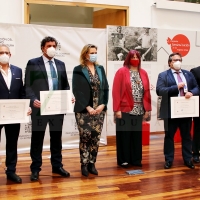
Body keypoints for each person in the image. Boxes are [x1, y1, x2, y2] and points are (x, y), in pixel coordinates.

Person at [24, 36, 70, 181]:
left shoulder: (61, 64)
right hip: (40, 108)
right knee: (37, 139)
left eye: (54, 46)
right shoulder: (33, 63)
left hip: (57, 108)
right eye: (49, 45)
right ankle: (35, 168)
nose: (52, 48)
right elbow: (28, 85)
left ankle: (57, 165)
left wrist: (69, 96)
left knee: (56, 138)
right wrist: (32, 100)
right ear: (43, 47)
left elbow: (65, 85)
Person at [156, 52, 199, 169]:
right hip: (171, 112)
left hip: (186, 110)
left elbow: (196, 87)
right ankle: (169, 160)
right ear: (170, 63)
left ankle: (187, 159)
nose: (178, 62)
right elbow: (159, 90)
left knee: (186, 136)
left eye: (179, 59)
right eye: (175, 60)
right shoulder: (163, 75)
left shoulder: (188, 74)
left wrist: (192, 92)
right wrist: (176, 87)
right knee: (169, 136)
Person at [72, 44, 109, 177]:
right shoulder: (78, 69)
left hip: (99, 110)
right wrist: (88, 107)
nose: (94, 54)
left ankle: (92, 163)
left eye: (95, 52)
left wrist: (103, 105)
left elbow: (106, 88)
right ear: (85, 54)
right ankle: (84, 164)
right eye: (91, 52)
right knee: (85, 137)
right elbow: (76, 90)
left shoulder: (100, 68)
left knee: (95, 137)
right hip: (83, 109)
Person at [112, 49, 151, 168]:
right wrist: (116, 109)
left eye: (137, 57)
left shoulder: (143, 72)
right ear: (128, 58)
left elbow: (147, 91)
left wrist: (147, 109)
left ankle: (136, 159)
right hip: (124, 109)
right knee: (124, 135)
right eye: (132, 57)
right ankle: (123, 160)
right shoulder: (121, 71)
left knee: (136, 135)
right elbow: (116, 91)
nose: (135, 59)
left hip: (139, 109)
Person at [0, 44, 31, 183]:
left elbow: (22, 92)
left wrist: (26, 106)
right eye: (1, 52)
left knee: (12, 144)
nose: (4, 54)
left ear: (10, 54)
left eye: (6, 52)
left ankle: (11, 171)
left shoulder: (18, 71)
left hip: (14, 115)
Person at [190, 66, 200, 163]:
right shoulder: (195, 71)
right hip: (199, 106)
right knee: (198, 129)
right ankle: (196, 153)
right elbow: (194, 88)